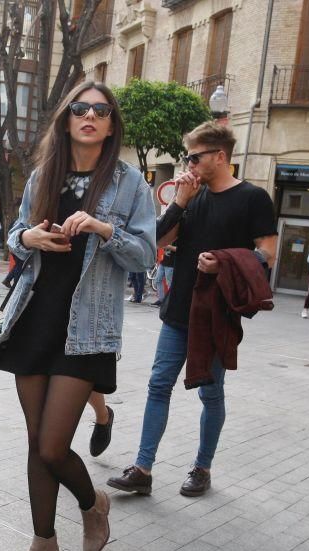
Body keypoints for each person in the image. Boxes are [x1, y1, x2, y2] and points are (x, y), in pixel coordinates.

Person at [0, 81, 155, 551]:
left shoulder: (130, 185)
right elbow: (15, 236)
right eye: (80, 109)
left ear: (112, 123)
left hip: (87, 328)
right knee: (34, 440)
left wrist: (106, 231)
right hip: (35, 318)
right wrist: (28, 237)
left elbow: (146, 256)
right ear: (66, 119)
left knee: (51, 445)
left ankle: (93, 503)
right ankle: (43, 547)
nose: (89, 116)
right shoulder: (45, 174)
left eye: (101, 111)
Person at [108, 121, 277, 498]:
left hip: (217, 312)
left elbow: (267, 252)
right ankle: (143, 468)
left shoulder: (253, 198)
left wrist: (224, 261)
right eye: (188, 157)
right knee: (158, 385)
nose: (189, 164)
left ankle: (202, 468)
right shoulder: (190, 196)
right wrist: (179, 202)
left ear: (220, 157)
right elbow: (156, 241)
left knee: (211, 393)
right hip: (179, 307)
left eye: (195, 157)